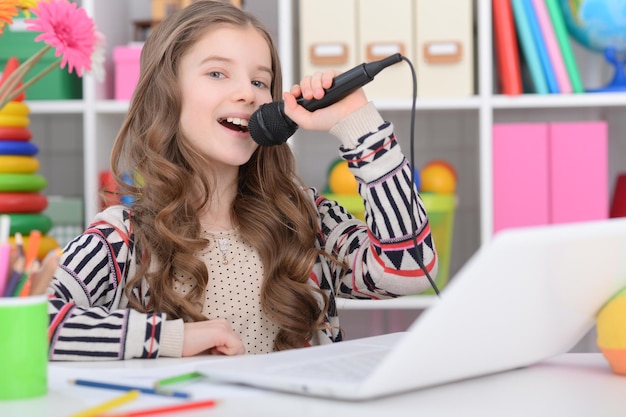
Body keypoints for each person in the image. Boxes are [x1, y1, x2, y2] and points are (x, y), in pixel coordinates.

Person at [47, 0, 438, 360]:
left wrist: (358, 124)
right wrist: (167, 337)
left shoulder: (305, 220)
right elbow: (28, 325)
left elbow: (410, 272)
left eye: (259, 81)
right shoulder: (124, 239)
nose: (246, 94)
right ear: (165, 93)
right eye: (217, 73)